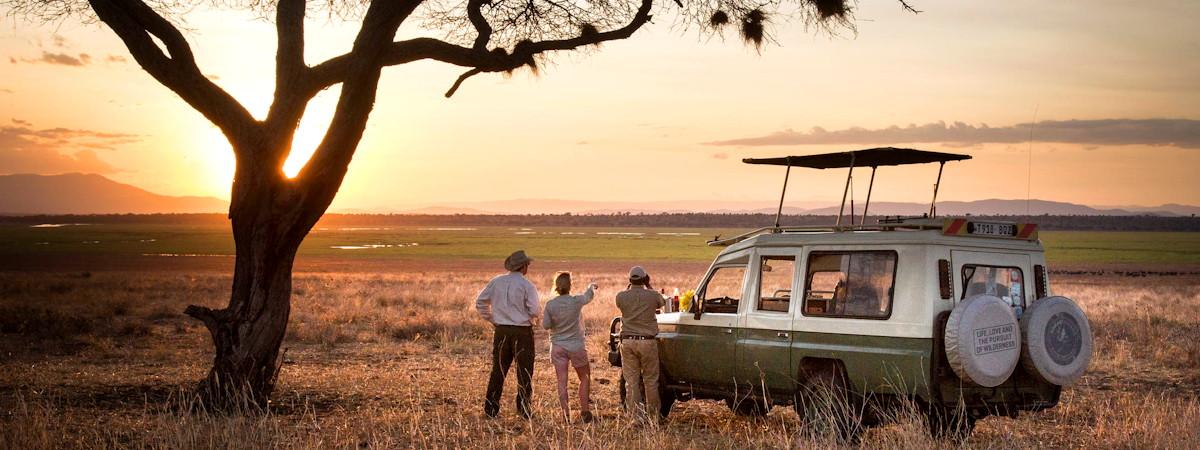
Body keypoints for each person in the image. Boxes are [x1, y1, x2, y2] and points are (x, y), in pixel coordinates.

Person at [476, 250, 540, 419]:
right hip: (522, 332)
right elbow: (535, 310)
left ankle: (491, 409)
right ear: (524, 266)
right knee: (524, 371)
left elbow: (480, 302)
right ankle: (523, 409)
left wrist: (492, 319)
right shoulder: (527, 285)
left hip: (502, 330)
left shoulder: (496, 282)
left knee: (498, 370)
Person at [542, 272, 597, 423]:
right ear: (570, 285)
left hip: (558, 345)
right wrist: (591, 287)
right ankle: (585, 411)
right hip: (576, 345)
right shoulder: (576, 301)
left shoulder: (550, 305)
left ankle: (566, 415)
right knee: (584, 377)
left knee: (562, 382)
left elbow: (546, 325)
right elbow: (588, 296)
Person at [615, 266, 665, 423]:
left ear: (630, 280)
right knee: (650, 380)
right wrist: (649, 286)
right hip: (647, 341)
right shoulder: (652, 296)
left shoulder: (621, 296)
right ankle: (653, 417)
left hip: (628, 341)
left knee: (631, 381)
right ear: (645, 279)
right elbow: (661, 302)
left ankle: (636, 418)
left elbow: (622, 301)